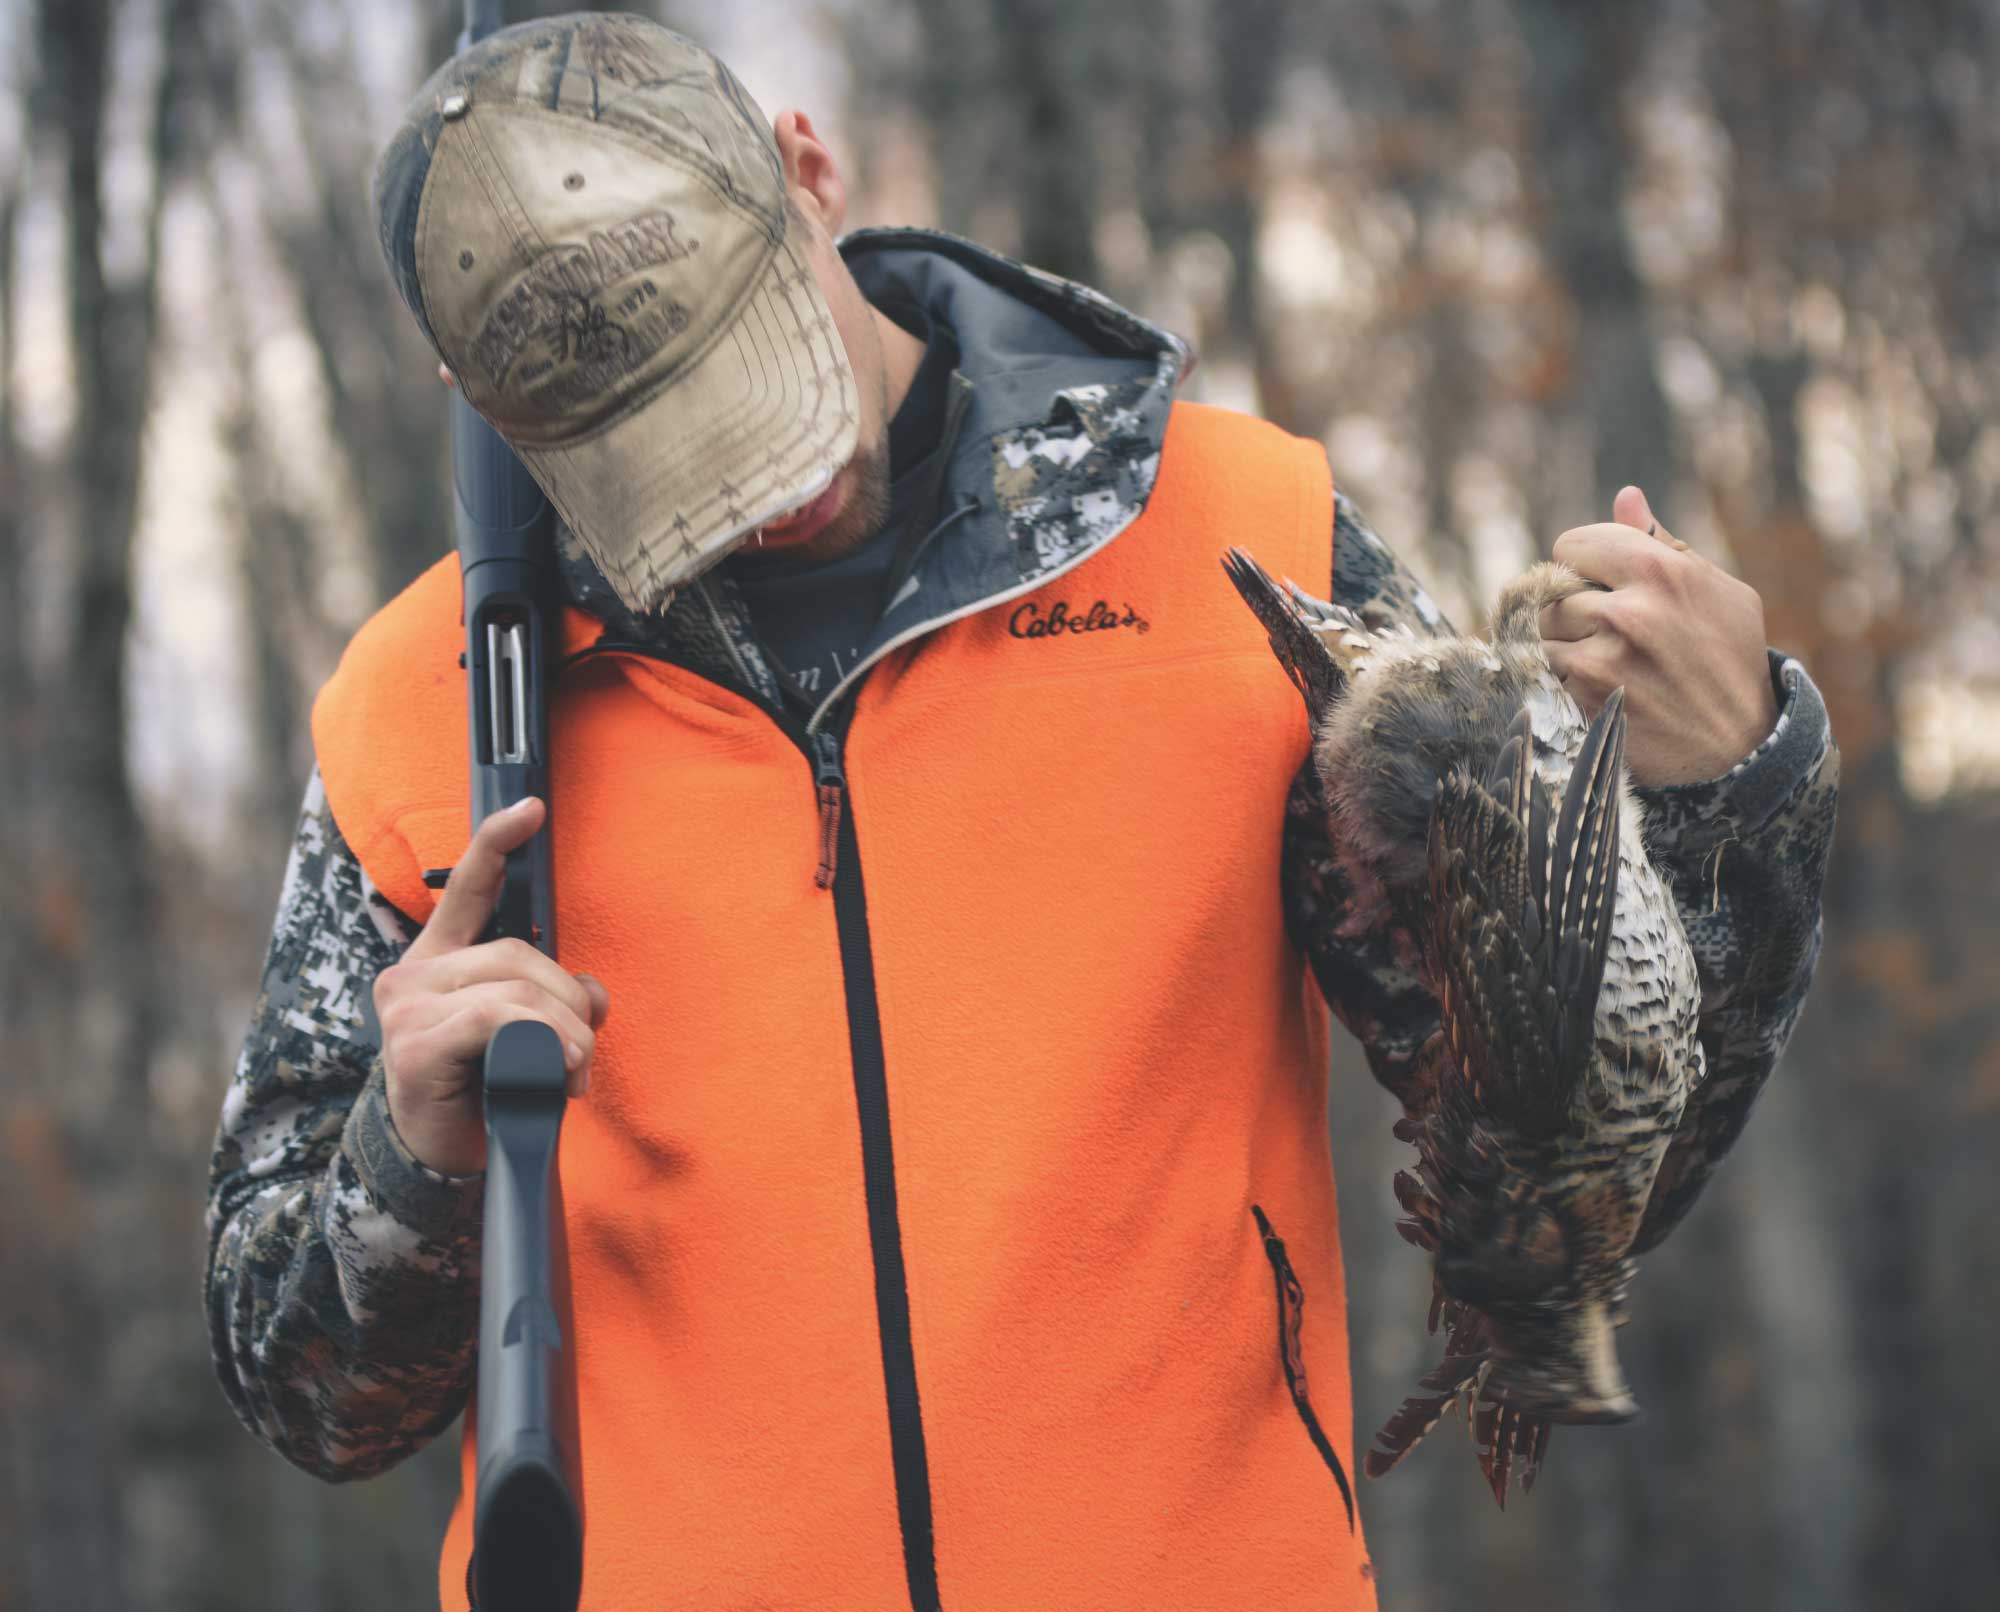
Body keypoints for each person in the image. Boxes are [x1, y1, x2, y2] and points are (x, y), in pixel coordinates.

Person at [202, 14, 1837, 1611]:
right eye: (659, 445)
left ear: (811, 166)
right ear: (469, 385)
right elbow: (310, 1398)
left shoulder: (1239, 545)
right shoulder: (426, 713)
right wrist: (404, 1160)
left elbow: (1567, 1183)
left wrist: (1723, 805)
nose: (763, 486)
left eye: (754, 374)